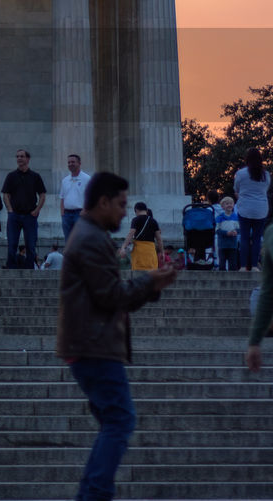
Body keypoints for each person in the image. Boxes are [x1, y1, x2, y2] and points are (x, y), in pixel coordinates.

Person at [58, 171, 177, 501]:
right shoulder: (91, 239)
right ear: (103, 202)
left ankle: (92, 494)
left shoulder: (89, 234)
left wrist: (149, 283)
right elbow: (111, 296)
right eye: (122, 205)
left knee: (114, 421)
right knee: (120, 421)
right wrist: (150, 282)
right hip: (94, 345)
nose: (127, 213)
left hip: (89, 343)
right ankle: (94, 495)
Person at [2, 149, 47, 270]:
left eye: (22, 156)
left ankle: (29, 271)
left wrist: (37, 210)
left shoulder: (35, 176)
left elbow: (42, 194)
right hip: (14, 215)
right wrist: (10, 209)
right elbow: (5, 194)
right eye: (17, 156)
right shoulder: (11, 176)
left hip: (30, 216)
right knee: (12, 244)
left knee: (30, 246)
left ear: (28, 159)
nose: (19, 158)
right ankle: (11, 269)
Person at [235, 147, 270, 271]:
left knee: (244, 237)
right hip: (261, 209)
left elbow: (236, 189)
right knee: (256, 238)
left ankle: (243, 266)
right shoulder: (265, 175)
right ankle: (255, 265)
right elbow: (265, 190)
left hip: (245, 208)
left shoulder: (241, 173)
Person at [119, 202, 162, 271]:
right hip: (151, 250)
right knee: (151, 271)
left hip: (139, 251)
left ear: (136, 210)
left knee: (138, 273)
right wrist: (162, 252)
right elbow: (159, 239)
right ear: (146, 210)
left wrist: (123, 247)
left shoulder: (135, 220)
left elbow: (131, 233)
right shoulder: (153, 221)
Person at [59, 154, 91, 243]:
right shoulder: (65, 180)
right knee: (68, 241)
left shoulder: (87, 178)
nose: (70, 164)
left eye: (73, 162)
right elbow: (62, 198)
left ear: (79, 163)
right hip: (67, 215)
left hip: (80, 214)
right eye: (69, 162)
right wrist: (62, 214)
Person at [216, 196, 240, 272]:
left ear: (233, 205)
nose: (229, 205)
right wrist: (226, 233)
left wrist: (236, 232)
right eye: (227, 204)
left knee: (233, 264)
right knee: (222, 263)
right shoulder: (219, 217)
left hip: (233, 244)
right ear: (222, 206)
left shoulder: (236, 217)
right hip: (222, 244)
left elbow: (239, 228)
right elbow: (217, 230)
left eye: (231, 203)